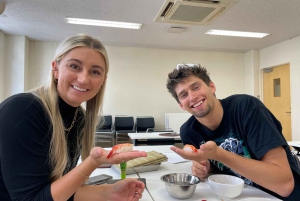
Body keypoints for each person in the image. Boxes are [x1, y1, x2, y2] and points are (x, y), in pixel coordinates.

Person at [0, 34, 147, 201]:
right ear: (55, 68)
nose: (83, 79)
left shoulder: (79, 119)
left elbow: (57, 191)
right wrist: (92, 163)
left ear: (103, 81)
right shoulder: (23, 110)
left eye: (95, 71)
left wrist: (110, 192)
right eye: (74, 66)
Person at [166, 64, 300, 200]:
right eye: (184, 95)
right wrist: (206, 168)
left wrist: (219, 154)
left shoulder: (247, 108)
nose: (192, 97)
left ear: (211, 87)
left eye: (196, 87)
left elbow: (285, 185)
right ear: (181, 105)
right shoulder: (189, 132)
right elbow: (218, 168)